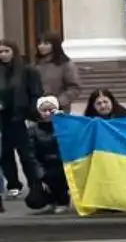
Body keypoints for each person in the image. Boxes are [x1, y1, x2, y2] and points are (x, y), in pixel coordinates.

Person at [0, 40, 45, 199]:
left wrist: (32, 115)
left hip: (21, 118)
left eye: (6, 51)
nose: (3, 55)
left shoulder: (27, 71)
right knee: (5, 154)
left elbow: (35, 94)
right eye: (1, 52)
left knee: (27, 154)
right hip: (3, 118)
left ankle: (35, 184)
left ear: (14, 52)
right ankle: (13, 184)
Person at [23, 96, 68, 214]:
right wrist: (40, 172)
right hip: (43, 166)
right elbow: (30, 154)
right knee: (34, 200)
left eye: (51, 110)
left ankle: (62, 201)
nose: (48, 113)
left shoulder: (64, 127)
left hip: (61, 165)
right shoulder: (32, 130)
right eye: (44, 110)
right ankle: (50, 200)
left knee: (57, 174)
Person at [33, 35, 82, 111]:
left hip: (59, 109)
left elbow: (74, 88)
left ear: (55, 45)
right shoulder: (35, 65)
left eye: (46, 43)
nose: (41, 46)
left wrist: (57, 102)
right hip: (38, 110)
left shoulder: (65, 64)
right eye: (39, 43)